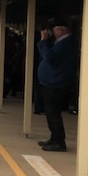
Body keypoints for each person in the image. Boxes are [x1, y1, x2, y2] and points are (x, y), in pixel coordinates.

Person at [36, 18, 78, 152]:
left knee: (53, 113)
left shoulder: (66, 43)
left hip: (55, 83)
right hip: (51, 81)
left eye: (53, 30)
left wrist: (43, 41)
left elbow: (49, 57)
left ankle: (59, 141)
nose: (51, 33)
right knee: (50, 113)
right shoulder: (61, 42)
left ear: (59, 30)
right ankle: (54, 137)